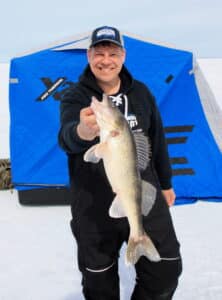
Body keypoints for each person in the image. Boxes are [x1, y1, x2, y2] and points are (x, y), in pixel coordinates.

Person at [58, 25, 182, 300]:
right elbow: (67, 139)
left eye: (112, 53)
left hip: (141, 192)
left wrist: (166, 183)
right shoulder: (75, 96)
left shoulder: (141, 93)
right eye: (99, 53)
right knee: (98, 281)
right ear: (89, 55)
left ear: (123, 56)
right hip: (92, 203)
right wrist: (83, 131)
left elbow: (157, 139)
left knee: (166, 269)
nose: (106, 60)